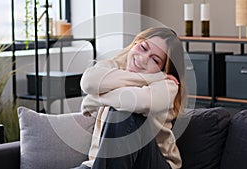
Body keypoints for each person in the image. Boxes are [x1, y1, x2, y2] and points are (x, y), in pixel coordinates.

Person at [71, 27, 185, 169]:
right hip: (98, 164)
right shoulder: (113, 66)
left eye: (155, 60)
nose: (143, 59)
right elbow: (88, 82)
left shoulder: (168, 85)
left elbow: (140, 102)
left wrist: (94, 100)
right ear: (135, 43)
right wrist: (153, 77)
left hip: (153, 163)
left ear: (165, 69)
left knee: (124, 112)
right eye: (143, 48)